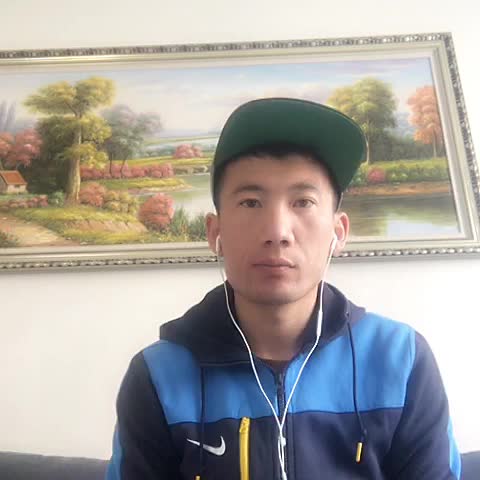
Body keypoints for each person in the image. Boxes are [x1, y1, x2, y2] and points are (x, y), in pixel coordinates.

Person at [106, 98, 461, 479]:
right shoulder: (158, 375)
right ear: (214, 232)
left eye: (303, 202)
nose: (277, 231)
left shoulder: (399, 359)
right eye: (250, 202)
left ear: (338, 232)